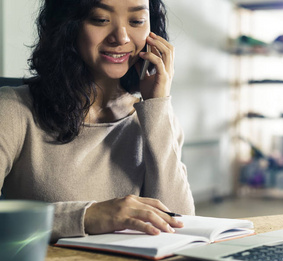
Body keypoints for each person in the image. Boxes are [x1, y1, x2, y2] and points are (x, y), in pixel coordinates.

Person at [0, 0, 195, 242]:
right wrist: (86, 217)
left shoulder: (155, 115)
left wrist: (157, 105)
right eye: (101, 20)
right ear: (68, 25)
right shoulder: (12, 109)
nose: (121, 37)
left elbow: (181, 224)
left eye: (136, 21)